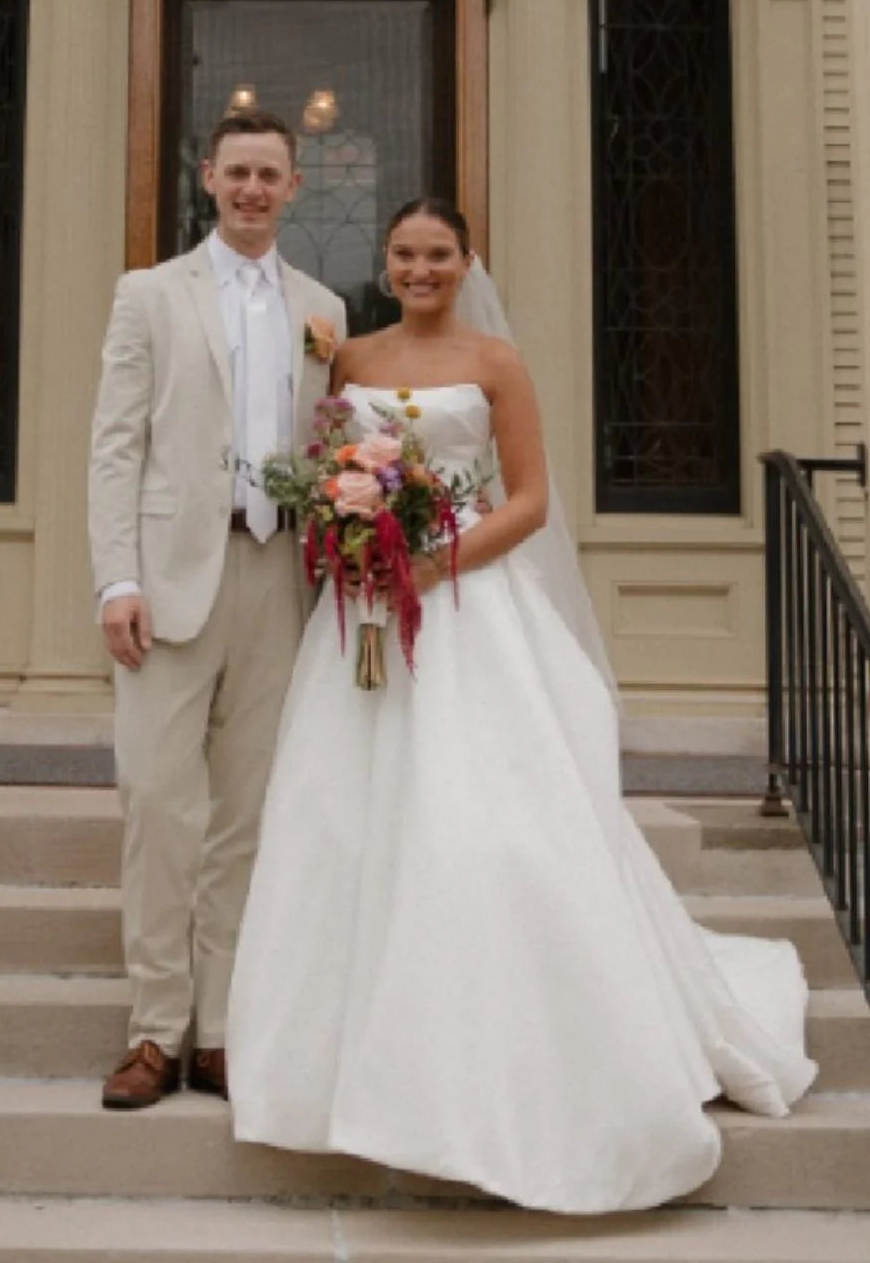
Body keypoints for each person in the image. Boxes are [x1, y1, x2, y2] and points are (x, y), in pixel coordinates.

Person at [225, 197, 816, 1213]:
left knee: (483, 825)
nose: (420, 269)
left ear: (464, 262)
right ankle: (339, 1070)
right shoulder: (352, 360)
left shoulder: (496, 361)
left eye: (438, 255)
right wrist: (355, 539)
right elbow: (330, 470)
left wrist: (429, 556)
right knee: (340, 822)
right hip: (366, 613)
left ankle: (506, 1070)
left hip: (463, 600)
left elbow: (531, 498)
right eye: (405, 254)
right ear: (387, 261)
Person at [88, 110, 346, 1110]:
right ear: (207, 178)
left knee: (246, 816)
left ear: (292, 188)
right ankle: (154, 1029)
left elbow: (327, 445)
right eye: (235, 170)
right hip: (167, 581)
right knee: (158, 804)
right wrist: (118, 577)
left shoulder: (323, 307)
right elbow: (116, 444)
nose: (249, 188)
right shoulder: (150, 295)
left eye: (267, 174)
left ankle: (223, 1029)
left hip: (279, 582)